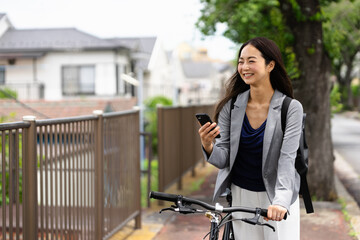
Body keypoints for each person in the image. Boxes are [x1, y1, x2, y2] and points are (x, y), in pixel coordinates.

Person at [198, 37, 302, 240]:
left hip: (276, 196)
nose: (244, 67)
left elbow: (287, 160)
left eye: (251, 60)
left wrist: (281, 202)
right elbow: (223, 159)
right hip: (241, 196)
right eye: (241, 61)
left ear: (270, 65)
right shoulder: (231, 107)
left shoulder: (291, 108)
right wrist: (208, 145)